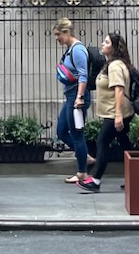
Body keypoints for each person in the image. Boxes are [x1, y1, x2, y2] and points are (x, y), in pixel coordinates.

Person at [78, 33, 134, 193]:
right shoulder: (112, 63)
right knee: (127, 146)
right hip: (117, 112)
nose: (102, 44)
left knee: (102, 143)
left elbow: (119, 89)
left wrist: (117, 115)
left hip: (115, 113)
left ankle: (95, 180)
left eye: (107, 42)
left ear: (114, 48)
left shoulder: (115, 65)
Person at [52, 18, 90, 183]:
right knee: (61, 131)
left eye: (58, 34)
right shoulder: (69, 50)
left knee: (76, 135)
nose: (57, 38)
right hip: (71, 96)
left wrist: (79, 97)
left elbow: (83, 74)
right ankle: (85, 156)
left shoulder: (77, 49)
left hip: (76, 97)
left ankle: (82, 173)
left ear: (66, 32)